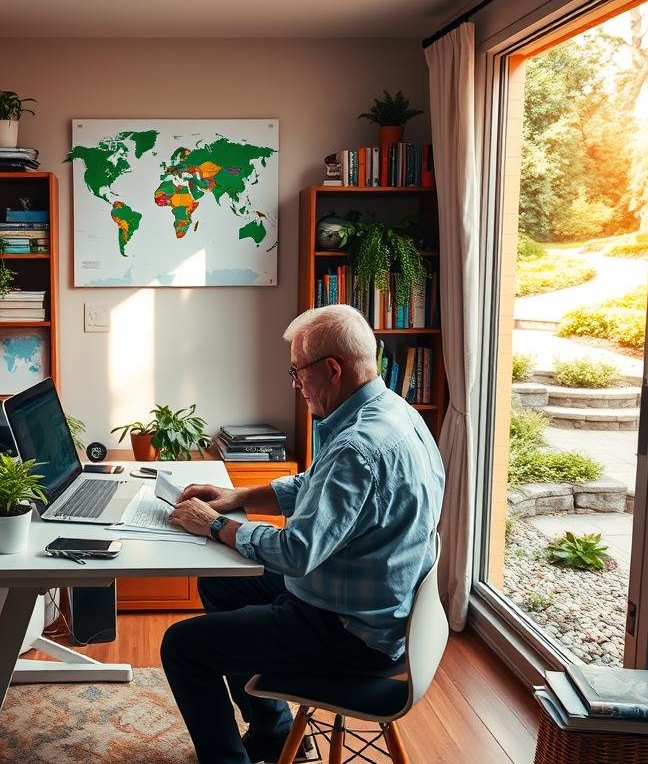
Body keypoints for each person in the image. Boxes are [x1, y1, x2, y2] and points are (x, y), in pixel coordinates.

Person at [160, 304, 445, 764]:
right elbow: (317, 485)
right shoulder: (397, 413)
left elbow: (296, 552)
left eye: (297, 372)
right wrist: (238, 498)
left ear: (332, 369)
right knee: (219, 582)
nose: (295, 384)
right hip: (374, 605)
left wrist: (212, 524)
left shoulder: (356, 447)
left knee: (183, 647)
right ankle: (272, 732)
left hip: (348, 631)